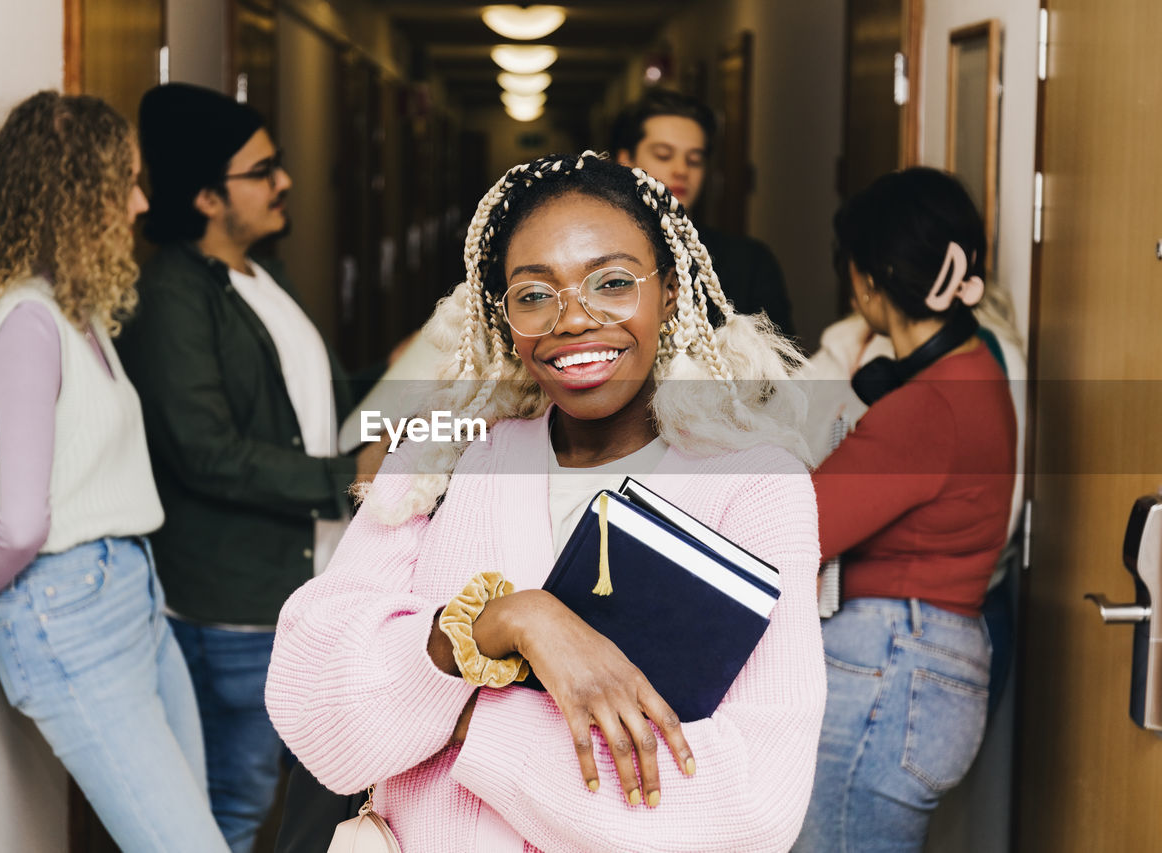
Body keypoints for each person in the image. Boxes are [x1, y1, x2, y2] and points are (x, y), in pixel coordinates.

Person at [266, 151, 826, 852]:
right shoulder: (449, 457)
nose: (572, 319)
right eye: (534, 294)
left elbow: (752, 804)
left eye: (613, 282)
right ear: (504, 317)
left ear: (672, 292)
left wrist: (467, 718)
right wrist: (496, 623)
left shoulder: (751, 486)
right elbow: (313, 697)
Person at [0, 90, 227, 852]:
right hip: (65, 607)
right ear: (73, 199)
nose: (142, 204)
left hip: (129, 591)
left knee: (194, 830)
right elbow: (21, 521)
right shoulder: (25, 327)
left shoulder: (69, 315)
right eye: (126, 186)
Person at [116, 83, 378, 852]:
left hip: (304, 584)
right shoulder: (171, 296)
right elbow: (207, 453)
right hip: (238, 604)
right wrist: (345, 478)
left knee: (309, 793)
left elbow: (307, 412)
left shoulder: (264, 276)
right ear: (204, 195)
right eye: (262, 170)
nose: (284, 181)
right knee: (233, 806)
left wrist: (390, 377)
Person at [793, 168, 1017, 851]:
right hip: (925, 663)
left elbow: (803, 527)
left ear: (868, 278)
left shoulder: (929, 406)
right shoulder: (976, 364)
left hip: (890, 667)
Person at [612, 88, 796, 337]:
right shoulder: (597, 255)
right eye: (663, 155)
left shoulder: (748, 262)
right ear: (625, 161)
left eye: (695, 160)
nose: (681, 170)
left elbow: (778, 365)